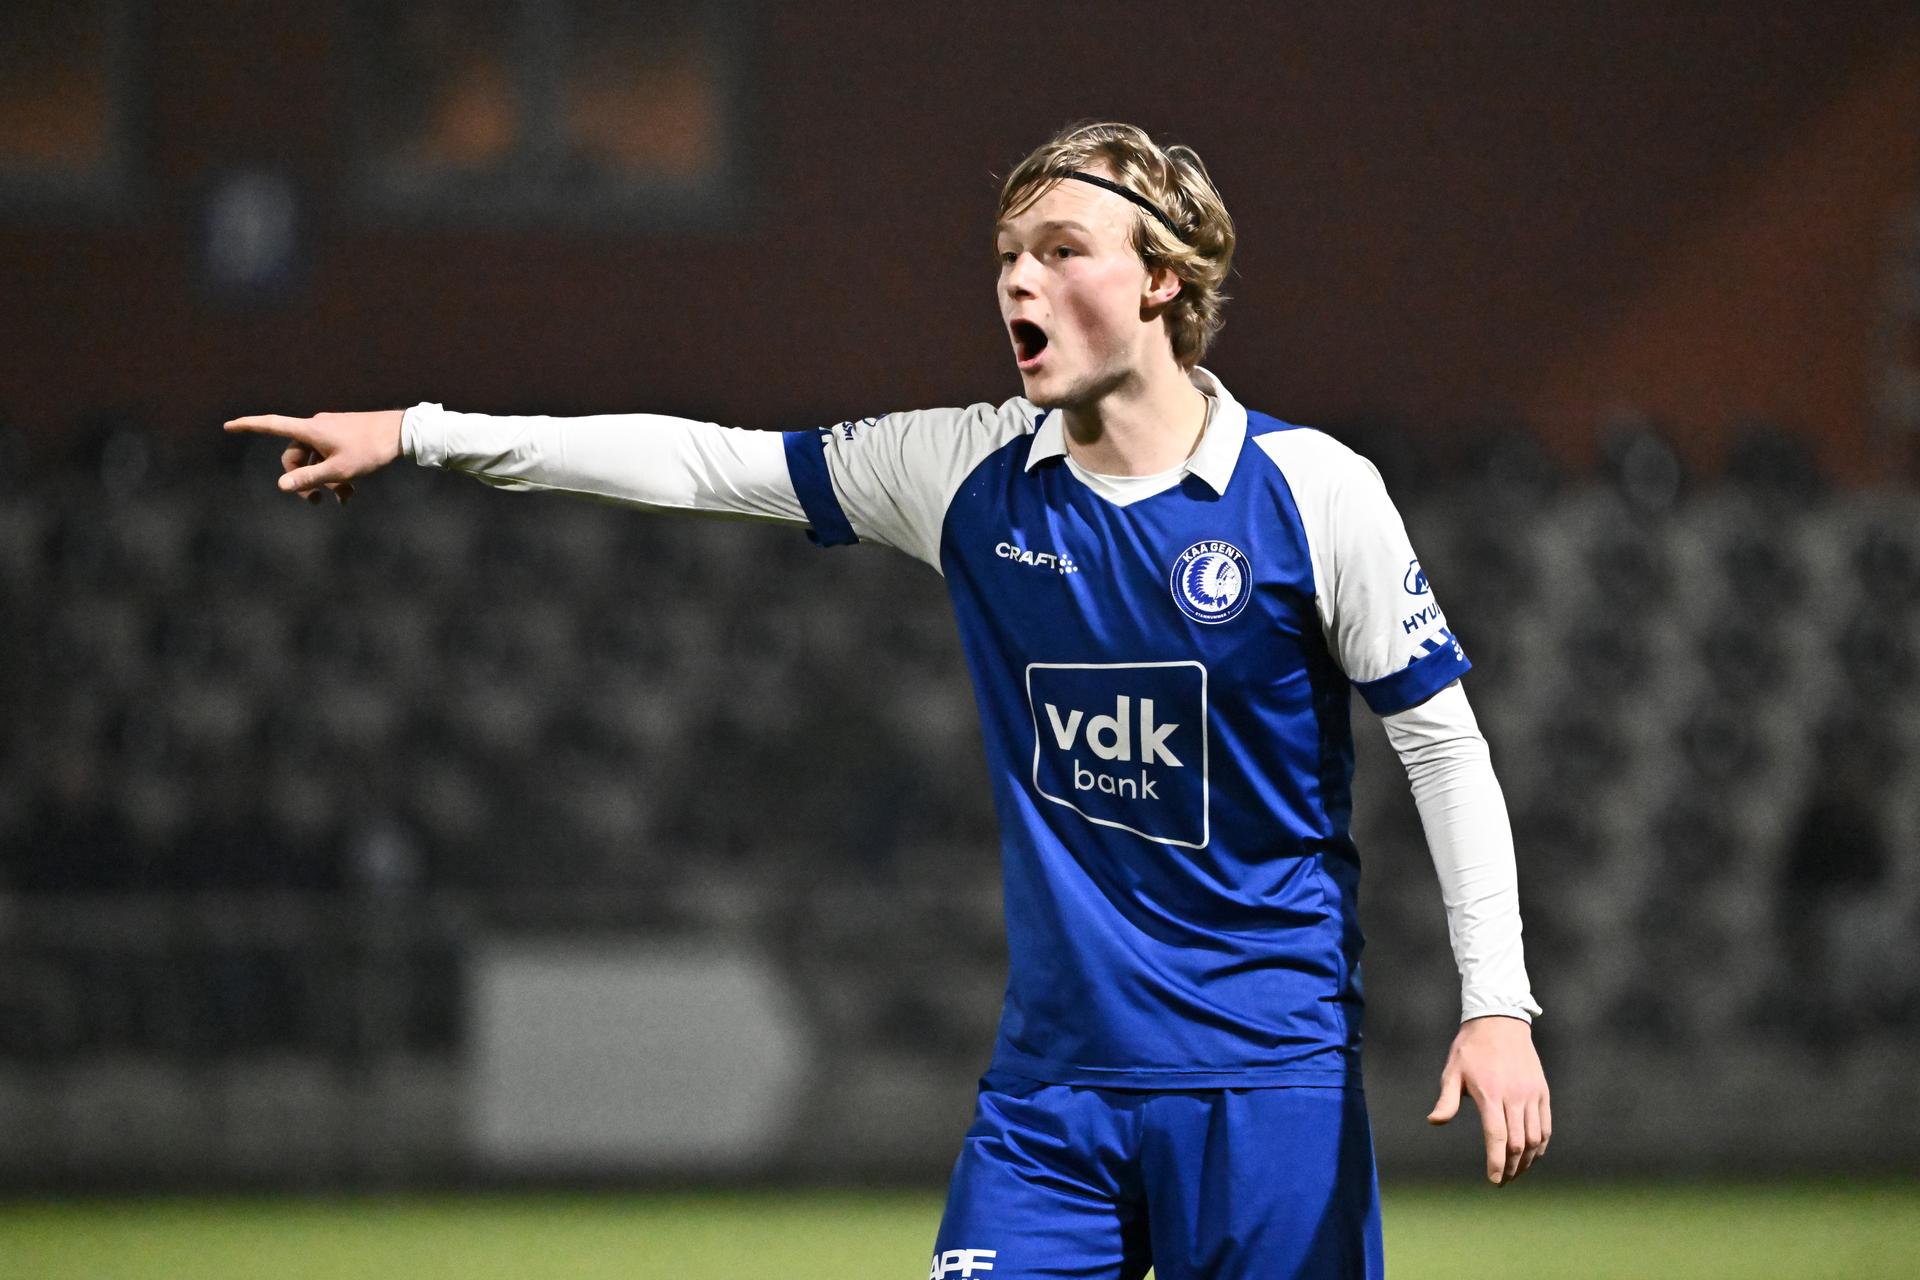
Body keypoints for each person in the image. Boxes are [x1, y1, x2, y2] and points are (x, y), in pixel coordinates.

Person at [226, 120, 1548, 1279]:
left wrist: (1496, 1006)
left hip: (1266, 1086)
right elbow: (708, 463)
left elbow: (1442, 746)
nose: (1017, 279)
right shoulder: (966, 471)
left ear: (1163, 277)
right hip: (1055, 1097)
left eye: (1060, 247)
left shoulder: (1314, 494)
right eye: (1003, 255)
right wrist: (422, 428)